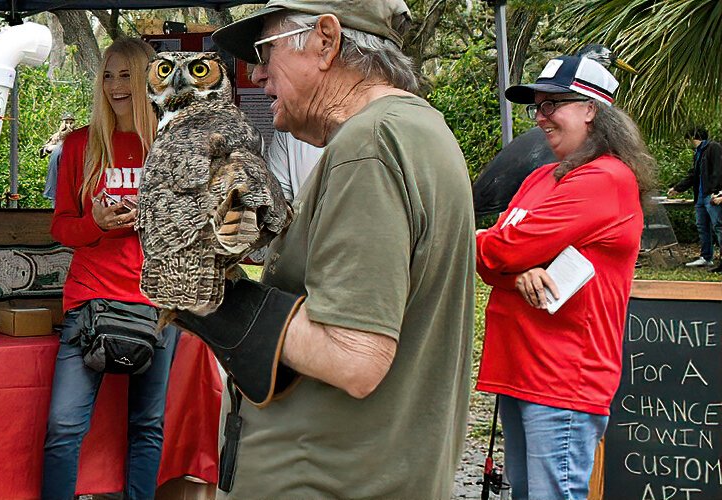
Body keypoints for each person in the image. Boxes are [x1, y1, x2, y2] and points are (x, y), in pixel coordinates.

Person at [191, 0, 475, 496]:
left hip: (330, 480)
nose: (256, 74)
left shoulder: (368, 145)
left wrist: (210, 296)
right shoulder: (416, 129)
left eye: (265, 51)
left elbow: (354, 357)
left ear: (325, 41)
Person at [43, 37, 219, 500]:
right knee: (63, 427)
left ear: (148, 80)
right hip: (90, 301)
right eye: (107, 75)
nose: (115, 86)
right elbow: (61, 227)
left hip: (157, 303)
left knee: (148, 425)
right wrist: (96, 224)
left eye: (127, 75)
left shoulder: (173, 145)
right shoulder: (79, 144)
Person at [478, 54, 656, 500]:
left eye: (551, 104)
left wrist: (493, 250)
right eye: (536, 107)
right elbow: (487, 260)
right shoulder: (539, 177)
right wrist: (514, 275)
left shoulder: (606, 178)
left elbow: (500, 247)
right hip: (519, 367)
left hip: (562, 377)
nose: (539, 118)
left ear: (590, 109)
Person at [667, 127, 722, 270]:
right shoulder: (698, 153)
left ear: (693, 137)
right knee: (702, 227)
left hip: (712, 195)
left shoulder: (713, 147)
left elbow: (718, 170)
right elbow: (693, 175)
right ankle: (706, 257)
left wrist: (718, 192)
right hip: (700, 197)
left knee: (718, 226)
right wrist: (678, 188)